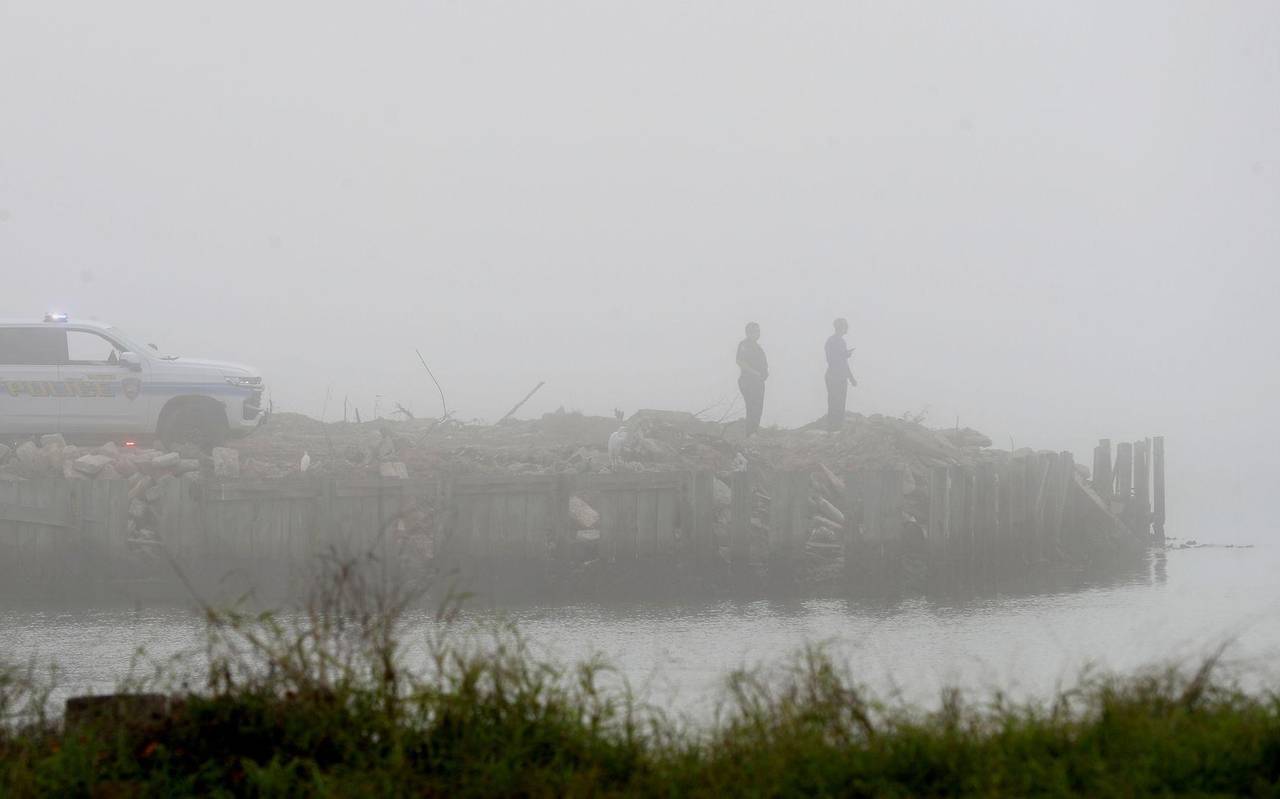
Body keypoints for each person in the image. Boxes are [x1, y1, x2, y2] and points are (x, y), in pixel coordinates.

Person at [824, 318, 857, 431]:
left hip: (839, 376)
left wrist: (851, 378)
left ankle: (837, 427)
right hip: (834, 377)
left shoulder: (837, 341)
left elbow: (842, 361)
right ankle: (833, 428)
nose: (847, 328)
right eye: (845, 326)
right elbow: (832, 360)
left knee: (839, 403)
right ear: (841, 327)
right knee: (835, 402)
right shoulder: (833, 341)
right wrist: (844, 355)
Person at [736, 322, 768, 436]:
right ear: (748, 332)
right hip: (748, 381)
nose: (757, 333)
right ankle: (750, 433)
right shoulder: (744, 344)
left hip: (759, 382)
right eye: (755, 331)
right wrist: (754, 373)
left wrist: (763, 375)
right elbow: (740, 361)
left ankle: (754, 431)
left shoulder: (758, 347)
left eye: (758, 331)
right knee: (752, 406)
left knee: (758, 406)